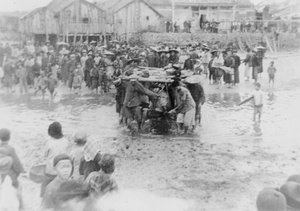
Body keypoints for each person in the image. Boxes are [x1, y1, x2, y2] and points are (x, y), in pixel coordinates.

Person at [41, 122, 69, 197]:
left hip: (50, 170)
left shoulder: (49, 142)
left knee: (45, 186)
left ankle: (42, 198)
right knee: (59, 188)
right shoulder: (66, 141)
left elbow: (44, 155)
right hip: (61, 170)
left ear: (50, 132)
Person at [0, 128, 25, 209]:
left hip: (1, 176)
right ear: (9, 137)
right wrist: (22, 171)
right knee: (18, 187)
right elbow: (16, 162)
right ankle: (21, 206)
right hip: (10, 175)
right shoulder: (10, 149)